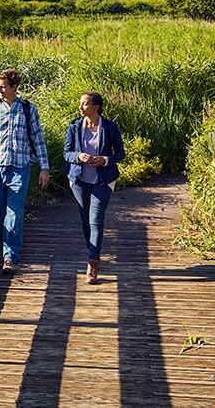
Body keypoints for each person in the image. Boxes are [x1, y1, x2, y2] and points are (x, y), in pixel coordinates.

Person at [0, 69, 50, 275]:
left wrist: (44, 168)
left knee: (14, 213)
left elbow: (38, 139)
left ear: (14, 87)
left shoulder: (28, 109)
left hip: (19, 168)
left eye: (3, 87)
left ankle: (10, 257)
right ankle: (6, 239)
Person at [63, 92, 125, 284]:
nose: (80, 107)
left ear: (96, 107)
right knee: (85, 222)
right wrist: (78, 156)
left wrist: (104, 160)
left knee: (96, 220)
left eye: (84, 104)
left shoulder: (110, 126)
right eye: (80, 103)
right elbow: (66, 153)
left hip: (102, 181)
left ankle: (92, 264)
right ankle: (93, 250)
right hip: (79, 181)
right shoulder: (74, 126)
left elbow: (120, 154)